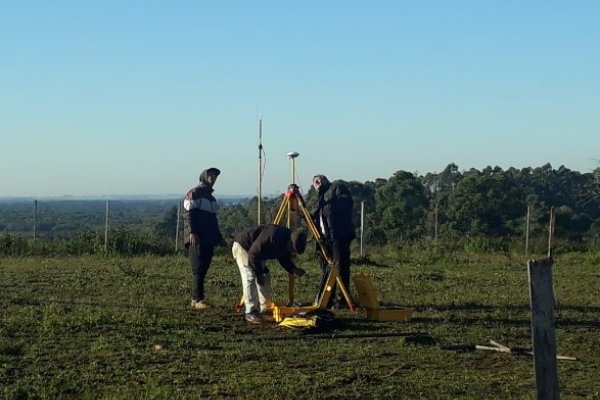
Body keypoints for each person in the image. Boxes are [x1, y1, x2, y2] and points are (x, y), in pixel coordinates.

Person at [232, 224, 307, 324]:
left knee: (266, 276)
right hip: (244, 248)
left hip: (257, 253)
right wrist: (258, 274)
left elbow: (283, 257)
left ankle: (266, 308)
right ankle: (251, 311)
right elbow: (253, 254)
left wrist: (293, 269)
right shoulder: (272, 237)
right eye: (293, 250)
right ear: (290, 243)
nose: (292, 253)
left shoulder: (286, 241)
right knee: (250, 276)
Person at [183, 167, 225, 310]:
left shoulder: (212, 199)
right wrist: (192, 232)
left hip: (208, 238)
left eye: (215, 176)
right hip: (197, 238)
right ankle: (197, 300)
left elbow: (213, 221)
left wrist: (219, 237)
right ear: (204, 177)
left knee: (204, 268)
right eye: (210, 175)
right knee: (198, 269)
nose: (213, 178)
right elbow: (189, 214)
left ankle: (197, 299)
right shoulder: (194, 193)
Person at [311, 174, 356, 309]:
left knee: (340, 267)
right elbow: (317, 215)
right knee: (327, 270)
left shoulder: (336, 188)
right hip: (325, 239)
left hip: (339, 236)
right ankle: (327, 300)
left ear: (326, 180)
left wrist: (326, 208)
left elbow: (346, 202)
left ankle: (342, 300)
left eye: (320, 178)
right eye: (315, 181)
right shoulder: (319, 198)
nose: (318, 182)